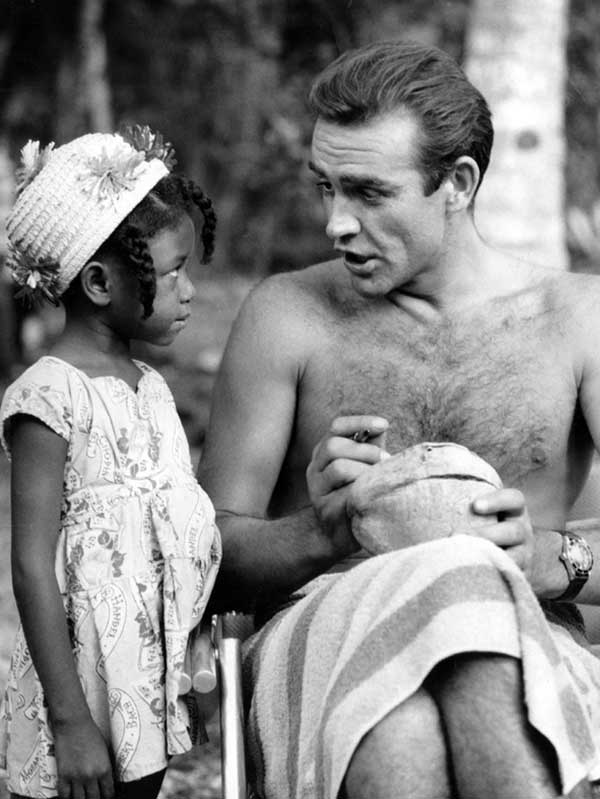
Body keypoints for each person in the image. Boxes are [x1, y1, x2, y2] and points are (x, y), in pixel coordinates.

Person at [198, 40, 600, 799]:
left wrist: (550, 556)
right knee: (406, 678)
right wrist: (321, 529)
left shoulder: (578, 319)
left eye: (368, 193)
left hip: (529, 635)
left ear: (458, 182)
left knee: (413, 703)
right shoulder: (288, 316)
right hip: (323, 636)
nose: (335, 224)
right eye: (324, 187)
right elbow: (208, 558)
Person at [0, 127, 221, 799]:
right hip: (77, 688)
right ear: (99, 282)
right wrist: (69, 721)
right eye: (173, 269)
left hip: (142, 681)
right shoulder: (49, 394)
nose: (188, 292)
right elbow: (32, 562)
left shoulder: (152, 389)